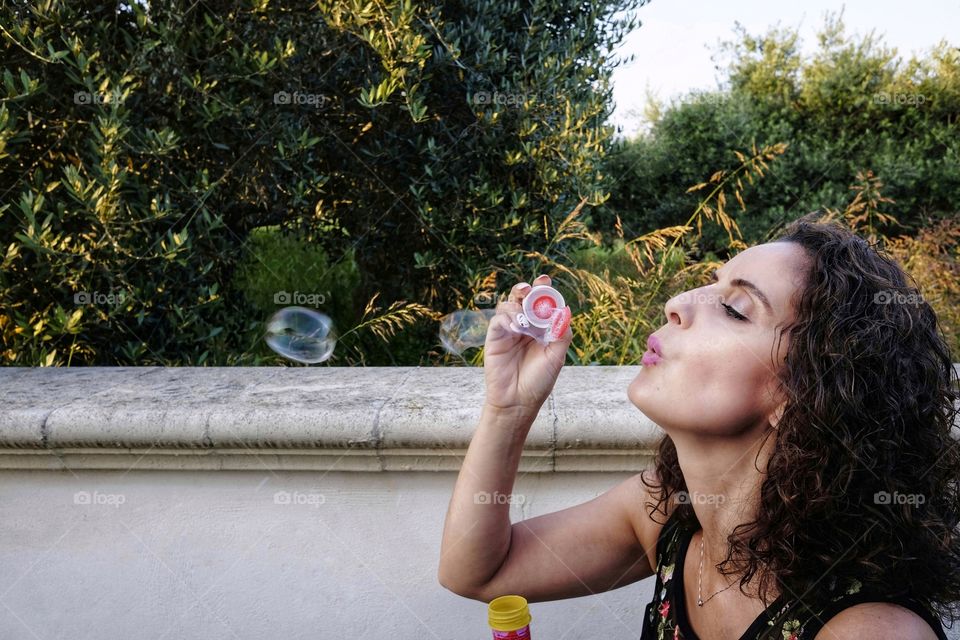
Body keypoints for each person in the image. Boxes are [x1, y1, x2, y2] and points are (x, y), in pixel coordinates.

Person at [438, 212, 960, 639]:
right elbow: (480, 572)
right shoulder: (672, 514)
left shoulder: (867, 631)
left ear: (805, 392)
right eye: (711, 284)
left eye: (734, 308)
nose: (677, 303)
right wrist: (509, 409)